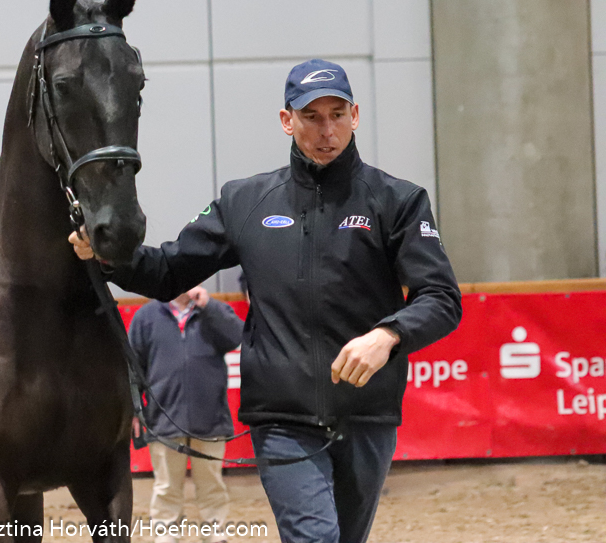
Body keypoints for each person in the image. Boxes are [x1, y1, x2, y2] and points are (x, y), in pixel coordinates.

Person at [71, 59, 462, 543]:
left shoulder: (398, 201)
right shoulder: (244, 201)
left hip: (367, 417)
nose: (326, 130)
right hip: (281, 420)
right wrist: (108, 255)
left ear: (355, 116)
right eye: (311, 117)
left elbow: (441, 297)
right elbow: (169, 270)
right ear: (286, 121)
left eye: (337, 115)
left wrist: (388, 336)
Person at [129, 286, 242, 543]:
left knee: (212, 484)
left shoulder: (212, 311)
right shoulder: (145, 317)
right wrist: (134, 409)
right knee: (166, 486)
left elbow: (237, 336)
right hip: (163, 418)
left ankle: (214, 532)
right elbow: (133, 367)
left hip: (210, 418)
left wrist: (210, 306)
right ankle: (166, 532)